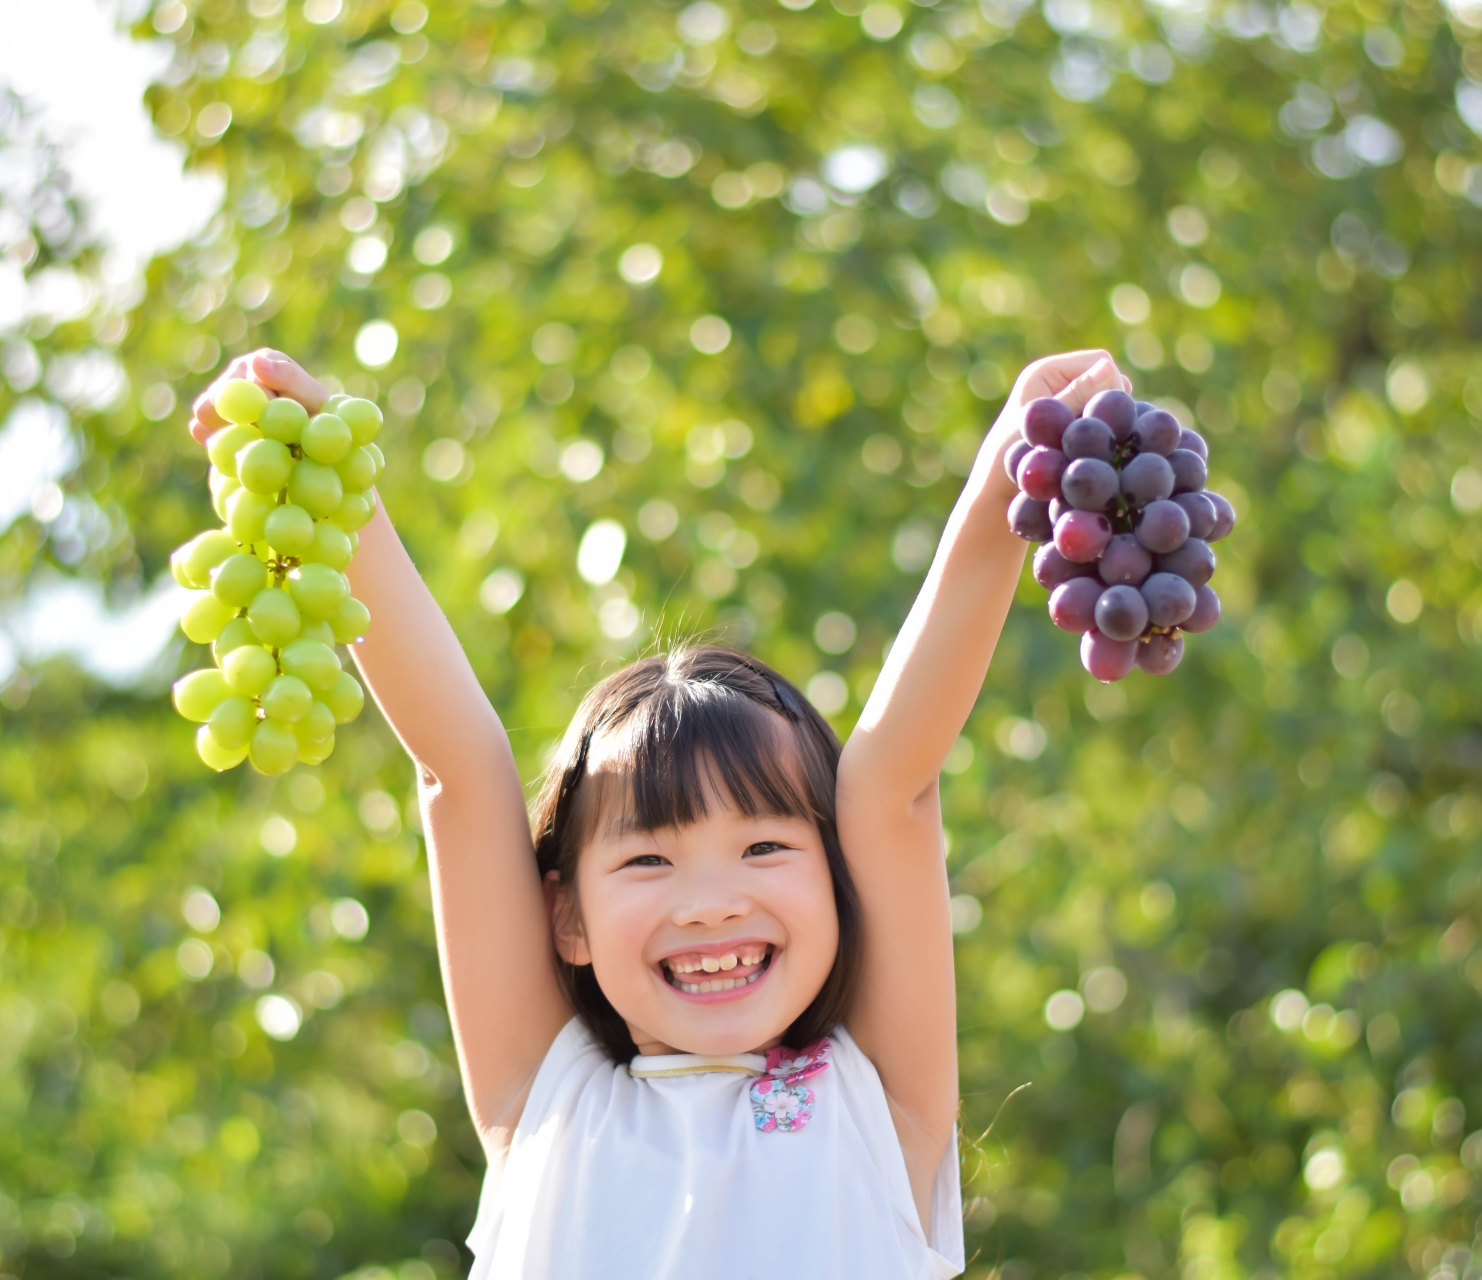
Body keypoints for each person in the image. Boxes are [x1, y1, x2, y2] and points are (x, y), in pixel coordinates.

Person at [187, 345, 1130, 1278]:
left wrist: (1017, 467)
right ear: (565, 915)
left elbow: (894, 783)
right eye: (648, 861)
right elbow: (461, 772)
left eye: (763, 845)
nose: (711, 902)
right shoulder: (545, 1098)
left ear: (841, 886)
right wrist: (324, 481)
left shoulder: (879, 1107)